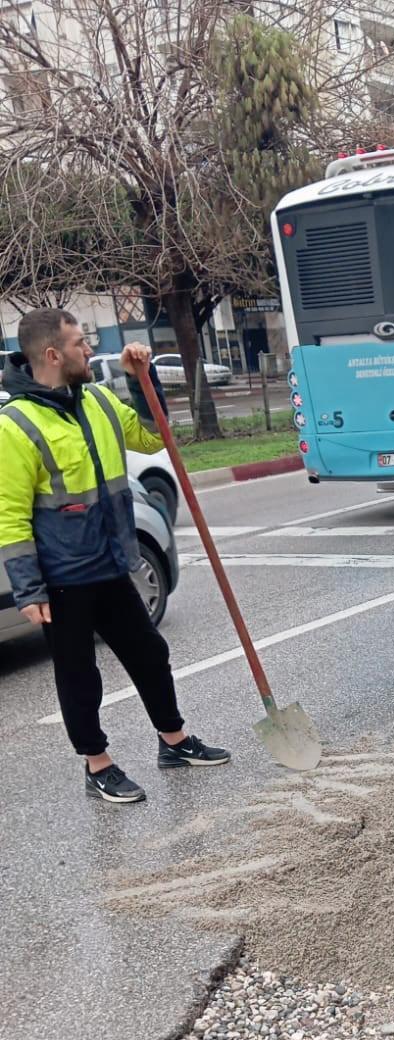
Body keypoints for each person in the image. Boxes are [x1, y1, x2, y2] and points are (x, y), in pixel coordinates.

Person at [0, 309, 230, 803]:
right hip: (62, 576)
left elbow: (152, 437)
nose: (90, 349)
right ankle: (97, 764)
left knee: (149, 653)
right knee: (79, 675)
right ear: (53, 354)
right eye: (81, 342)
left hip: (111, 560)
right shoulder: (15, 426)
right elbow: (10, 515)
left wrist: (142, 380)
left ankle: (174, 741)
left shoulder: (100, 400)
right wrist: (29, 587)